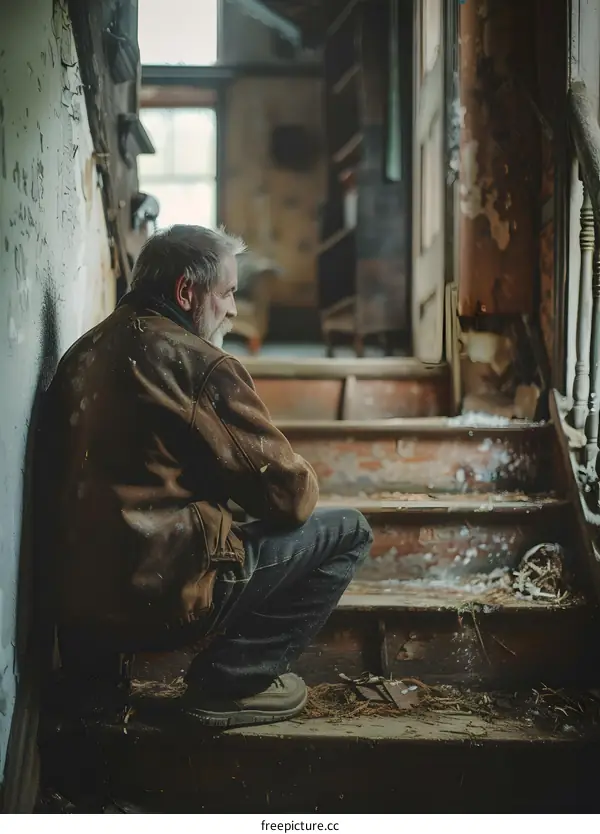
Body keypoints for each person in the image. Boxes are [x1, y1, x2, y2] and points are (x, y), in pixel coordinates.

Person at [39, 225, 373, 728]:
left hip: (76, 615)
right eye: (229, 293)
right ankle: (231, 679)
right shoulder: (197, 362)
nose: (234, 309)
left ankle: (94, 686)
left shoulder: (79, 355)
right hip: (162, 599)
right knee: (349, 531)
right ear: (186, 292)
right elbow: (290, 499)